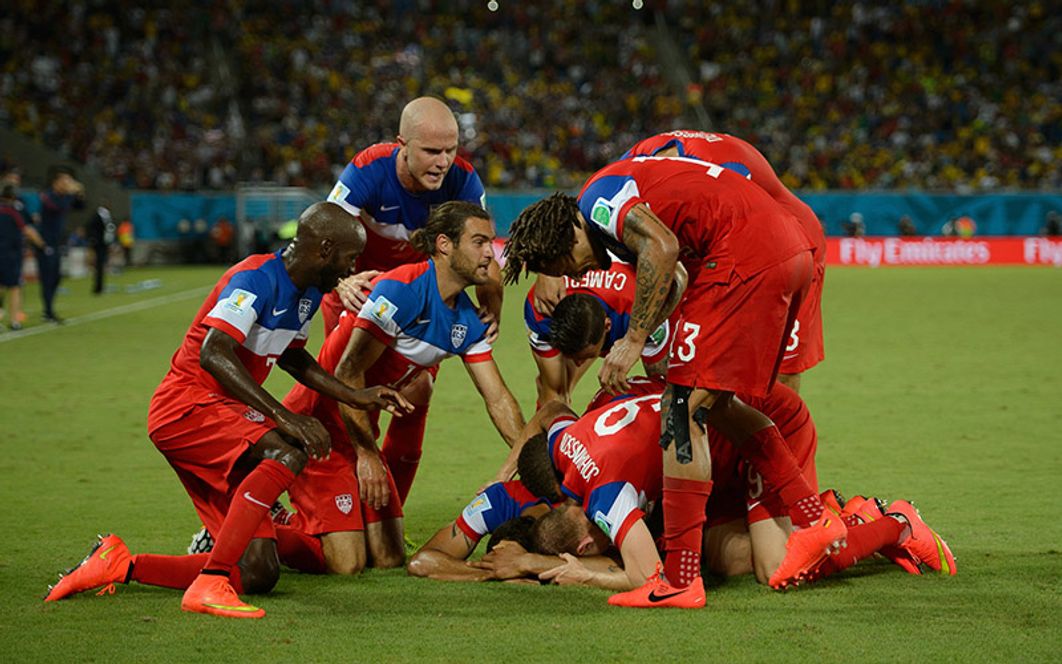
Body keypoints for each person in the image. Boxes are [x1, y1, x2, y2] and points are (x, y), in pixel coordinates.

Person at [43, 202, 413, 619]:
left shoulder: (306, 293)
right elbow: (213, 352)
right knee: (287, 449)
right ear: (325, 249)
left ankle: (118, 564)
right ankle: (210, 580)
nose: (351, 269)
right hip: (187, 407)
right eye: (349, 258)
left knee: (258, 572)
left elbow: (293, 357)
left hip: (221, 414)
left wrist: (354, 395)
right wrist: (281, 415)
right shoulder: (255, 279)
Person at [503, 154, 843, 601]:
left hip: (744, 255)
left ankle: (681, 581)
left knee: (679, 410)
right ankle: (813, 518)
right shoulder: (615, 205)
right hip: (786, 249)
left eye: (569, 266)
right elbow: (677, 276)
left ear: (569, 236)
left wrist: (632, 340)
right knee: (719, 405)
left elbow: (663, 249)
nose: (579, 275)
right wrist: (653, 334)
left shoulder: (599, 203)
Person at [274, 201, 526, 576]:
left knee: (389, 557)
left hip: (359, 431)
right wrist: (367, 454)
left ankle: (313, 520)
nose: (490, 252)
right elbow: (348, 373)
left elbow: (498, 398)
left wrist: (530, 457)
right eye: (479, 242)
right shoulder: (401, 290)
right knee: (347, 563)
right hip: (318, 430)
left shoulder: (465, 318)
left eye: (490, 242)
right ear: (444, 245)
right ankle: (259, 528)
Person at [324, 97, 501, 494]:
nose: (443, 162)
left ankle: (390, 510)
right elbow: (325, 230)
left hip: (420, 300)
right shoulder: (369, 168)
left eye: (451, 151)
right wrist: (340, 281)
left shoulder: (464, 181)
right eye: (431, 151)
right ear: (401, 143)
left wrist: (494, 307)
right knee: (354, 400)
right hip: (360, 295)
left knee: (417, 393)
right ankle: (342, 501)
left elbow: (483, 250)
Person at [619, 130, 827, 393]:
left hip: (790, 244)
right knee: (676, 361)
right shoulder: (632, 167)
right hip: (705, 252)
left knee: (777, 370)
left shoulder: (722, 171)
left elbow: (745, 228)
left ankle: (782, 433)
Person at [524, 262, 686, 407]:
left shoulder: (640, 312)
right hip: (603, 297)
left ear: (608, 326)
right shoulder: (541, 309)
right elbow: (553, 395)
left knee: (669, 389)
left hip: (651, 293)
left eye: (586, 356)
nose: (578, 364)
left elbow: (665, 386)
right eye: (573, 356)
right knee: (553, 389)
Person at [36, 166, 85, 322]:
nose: (68, 183)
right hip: (44, 243)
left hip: (57, 242)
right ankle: (48, 312)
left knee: (56, 277)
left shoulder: (64, 197)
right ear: (56, 182)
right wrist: (71, 193)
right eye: (65, 180)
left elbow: (81, 206)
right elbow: (57, 207)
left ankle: (49, 310)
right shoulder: (48, 196)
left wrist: (80, 193)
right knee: (47, 277)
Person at [0, 186, 45, 330]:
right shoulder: (14, 212)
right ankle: (14, 321)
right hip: (10, 255)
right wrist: (43, 245)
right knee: (14, 287)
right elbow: (27, 230)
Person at [86, 201, 115, 295]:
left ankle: (100, 287)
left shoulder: (106, 215)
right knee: (99, 265)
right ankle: (98, 288)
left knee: (101, 265)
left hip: (103, 243)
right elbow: (91, 227)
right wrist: (94, 240)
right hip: (99, 244)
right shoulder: (99, 215)